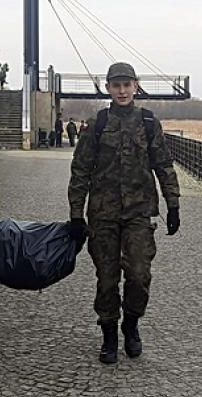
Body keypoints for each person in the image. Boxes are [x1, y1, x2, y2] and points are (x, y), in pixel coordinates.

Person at [67, 61, 180, 364]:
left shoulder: (148, 123)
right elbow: (80, 170)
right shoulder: (98, 123)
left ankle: (131, 325)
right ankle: (108, 334)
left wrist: (174, 204)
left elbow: (163, 164)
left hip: (139, 213)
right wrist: (76, 215)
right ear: (108, 88)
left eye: (126, 85)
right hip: (102, 215)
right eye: (116, 85)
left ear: (135, 86)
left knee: (139, 275)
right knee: (106, 278)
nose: (121, 90)